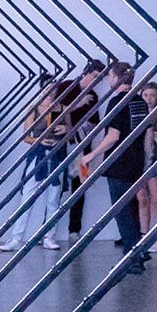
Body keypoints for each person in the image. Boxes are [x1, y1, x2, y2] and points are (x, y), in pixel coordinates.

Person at [77, 62, 150, 274]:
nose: (109, 80)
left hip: (119, 163)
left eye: (110, 76)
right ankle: (138, 251)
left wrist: (91, 155)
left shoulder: (117, 102)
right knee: (131, 209)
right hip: (136, 162)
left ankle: (132, 257)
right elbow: (146, 134)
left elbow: (113, 136)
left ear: (116, 78)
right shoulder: (140, 102)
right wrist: (146, 161)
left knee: (122, 212)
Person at [1, 82, 68, 252]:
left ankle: (49, 236)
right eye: (47, 89)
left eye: (53, 89)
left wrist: (66, 129)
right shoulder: (33, 108)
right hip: (38, 155)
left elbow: (70, 133)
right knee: (27, 197)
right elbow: (26, 136)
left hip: (57, 155)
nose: (51, 93)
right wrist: (40, 140)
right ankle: (16, 237)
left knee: (54, 198)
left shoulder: (63, 108)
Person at [62, 60, 106, 243]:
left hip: (83, 148)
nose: (96, 82)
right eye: (95, 77)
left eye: (99, 79)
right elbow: (53, 113)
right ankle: (47, 230)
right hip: (61, 144)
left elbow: (95, 123)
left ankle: (74, 229)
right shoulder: (65, 87)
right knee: (56, 186)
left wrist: (88, 128)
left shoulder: (93, 96)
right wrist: (77, 105)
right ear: (86, 72)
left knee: (79, 186)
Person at [134, 81, 157, 247]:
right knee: (142, 199)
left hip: (156, 159)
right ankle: (143, 234)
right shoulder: (138, 115)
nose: (149, 99)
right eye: (146, 95)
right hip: (139, 159)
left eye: (152, 95)